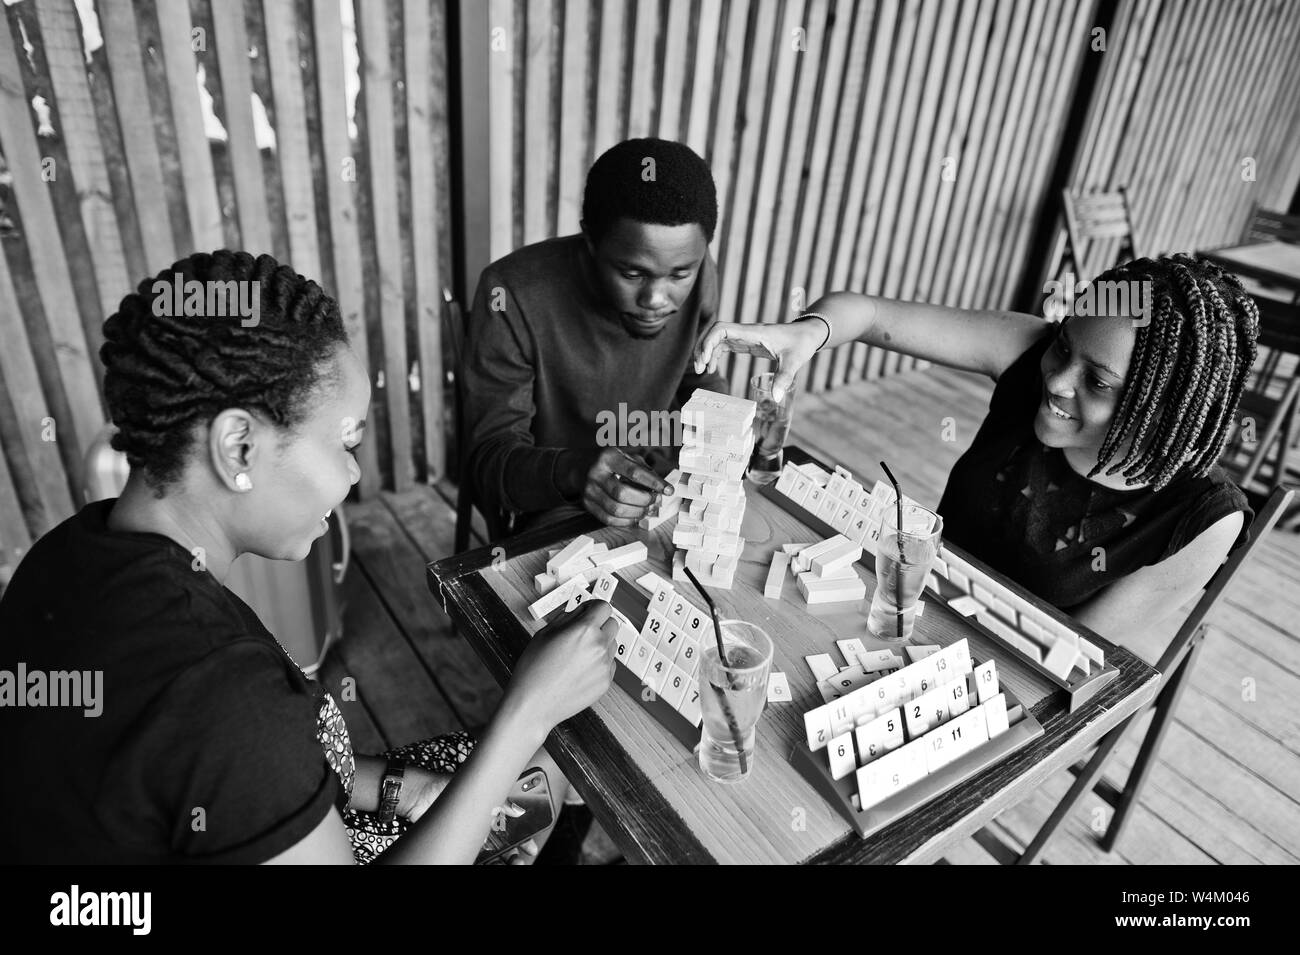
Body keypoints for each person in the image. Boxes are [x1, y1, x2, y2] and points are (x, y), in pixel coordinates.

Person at [0, 251, 617, 864]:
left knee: (541, 777)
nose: (352, 475)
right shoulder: (222, 696)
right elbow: (239, 752)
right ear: (238, 447)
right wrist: (528, 711)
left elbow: (248, 782)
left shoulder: (66, 554)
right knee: (556, 758)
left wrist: (403, 788)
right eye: (344, 442)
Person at [694, 254, 1258, 647]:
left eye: (1099, 383)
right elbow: (868, 313)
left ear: (1160, 409)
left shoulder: (1201, 522)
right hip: (899, 608)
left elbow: (1068, 658)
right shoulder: (1028, 350)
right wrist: (807, 332)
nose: (1057, 380)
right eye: (1064, 345)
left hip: (997, 679)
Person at [461, 137, 728, 534]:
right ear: (590, 241)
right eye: (632, 273)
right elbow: (489, 465)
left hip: (666, 476)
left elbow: (699, 379)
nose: (656, 299)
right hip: (561, 501)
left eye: (679, 274)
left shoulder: (699, 267)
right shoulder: (511, 294)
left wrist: (728, 426)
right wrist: (577, 471)